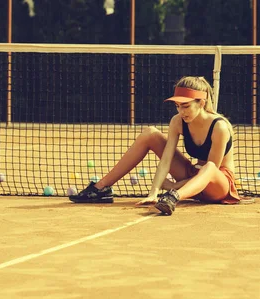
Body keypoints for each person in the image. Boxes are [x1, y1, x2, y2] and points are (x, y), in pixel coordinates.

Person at [69, 76, 240, 215]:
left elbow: (210, 172)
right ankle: (101, 188)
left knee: (208, 167)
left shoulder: (220, 127)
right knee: (150, 133)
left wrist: (173, 187)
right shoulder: (178, 121)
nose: (181, 111)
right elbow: (166, 159)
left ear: (201, 103)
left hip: (218, 186)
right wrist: (154, 191)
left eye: (186, 106)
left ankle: (173, 198)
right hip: (192, 176)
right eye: (177, 106)